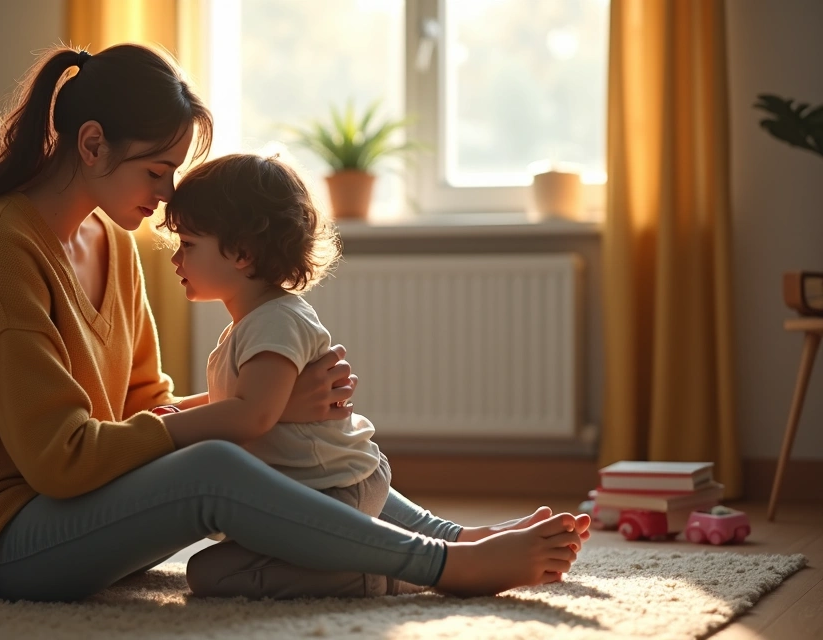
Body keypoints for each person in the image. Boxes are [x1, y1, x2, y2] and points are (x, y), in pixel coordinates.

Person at [0, 43, 586, 604]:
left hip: (64, 507)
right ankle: (442, 568)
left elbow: (145, 409)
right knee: (217, 465)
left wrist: (263, 414)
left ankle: (455, 536)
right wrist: (238, 413)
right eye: (156, 171)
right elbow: (62, 458)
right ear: (92, 146)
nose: (168, 195)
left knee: (262, 445)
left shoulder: (112, 240)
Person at [158, 153, 591, 598]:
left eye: (188, 244)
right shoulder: (254, 322)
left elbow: (251, 415)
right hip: (343, 477)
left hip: (331, 490)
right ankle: (470, 541)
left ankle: (390, 576)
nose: (175, 258)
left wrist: (160, 429)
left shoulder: (273, 322)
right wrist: (181, 408)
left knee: (212, 575)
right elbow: (238, 399)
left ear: (242, 254)